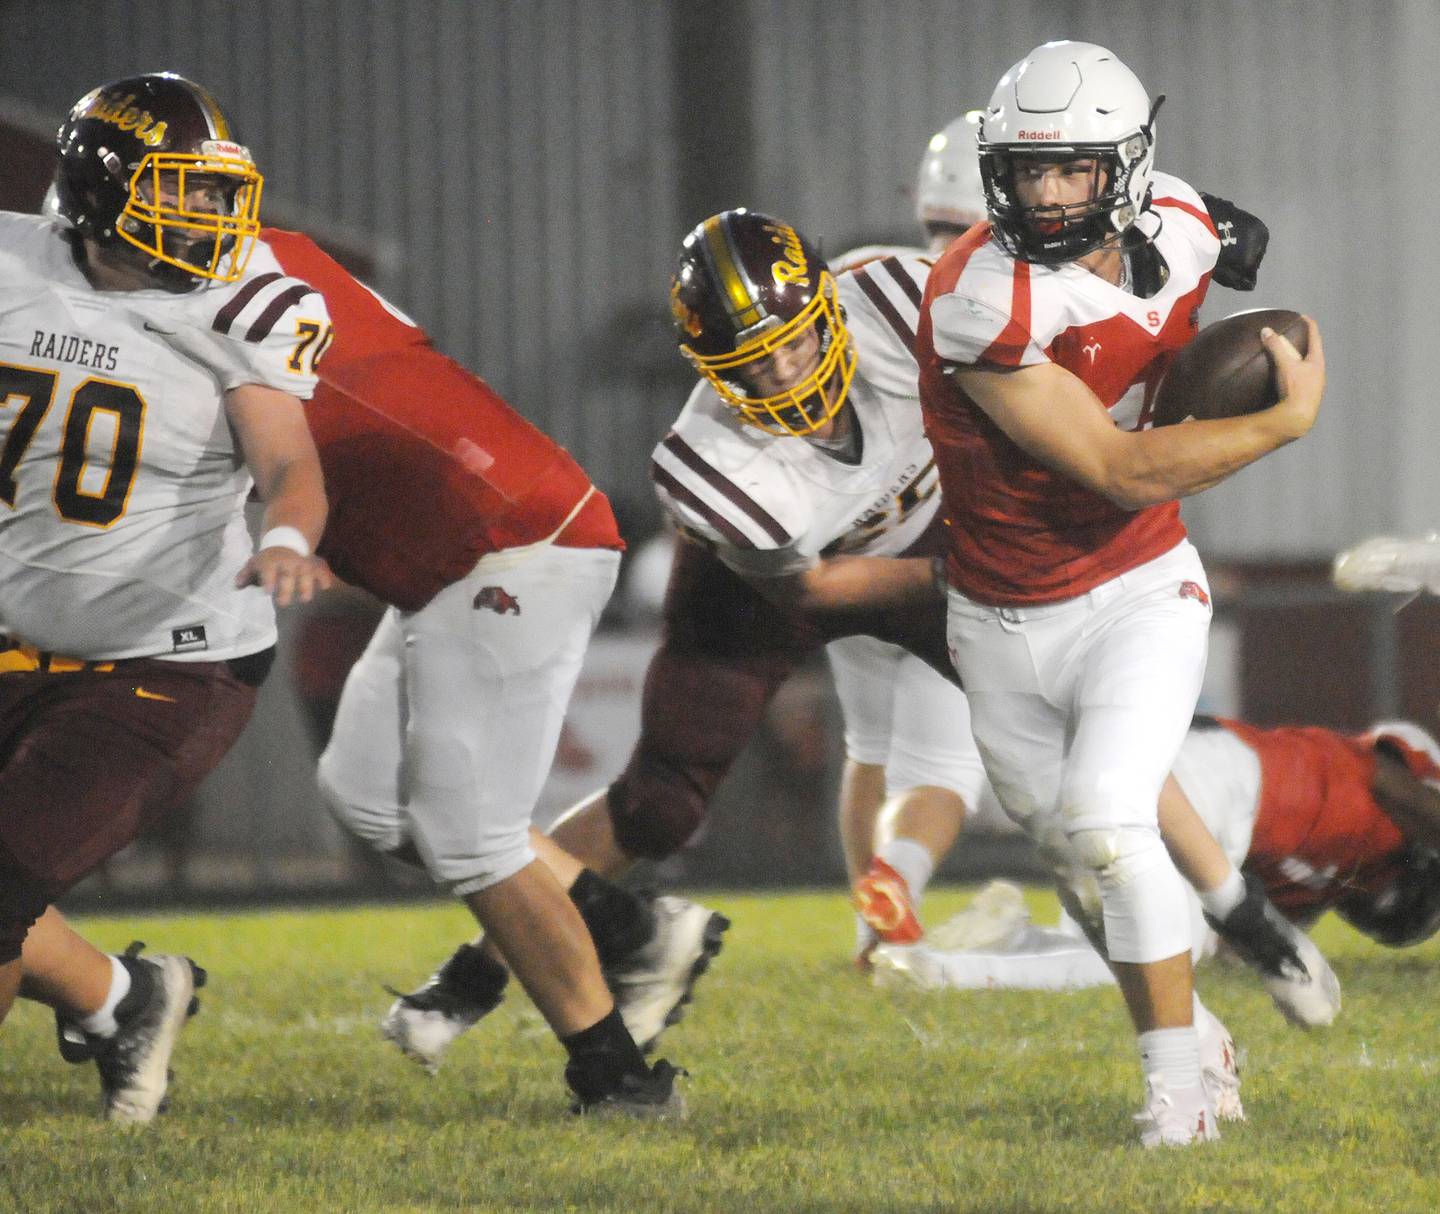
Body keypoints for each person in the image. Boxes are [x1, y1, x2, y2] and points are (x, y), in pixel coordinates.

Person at [916, 40, 1325, 1146]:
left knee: (1107, 816)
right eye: (1026, 172)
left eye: (1074, 172)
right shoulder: (978, 296)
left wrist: (1245, 322)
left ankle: (1177, 1095)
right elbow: (1117, 465)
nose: (1046, 195)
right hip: (1000, 614)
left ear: (1130, 170)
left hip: (1139, 583)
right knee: (1079, 863)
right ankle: (1199, 1041)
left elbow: (1233, 238)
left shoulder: (1177, 219)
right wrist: (1280, 418)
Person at [247, 228, 700, 1117]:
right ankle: (630, 929)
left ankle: (619, 1080)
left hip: (512, 538)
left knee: (469, 834)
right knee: (364, 794)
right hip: (444, 559)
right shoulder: (270, 259)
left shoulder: (204, 298)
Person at [0, 72, 334, 1122]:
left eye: (213, 192)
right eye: (179, 190)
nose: (210, 218)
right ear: (101, 190)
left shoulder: (245, 301)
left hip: (170, 657)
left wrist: (285, 536)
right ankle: (128, 997)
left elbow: (290, 463)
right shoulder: (9, 263)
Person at [880, 714, 1436, 1012]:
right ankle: (938, 971)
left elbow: (1237, 937)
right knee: (1151, 967)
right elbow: (1392, 775)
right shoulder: (1385, 785)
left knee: (1123, 945)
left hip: (1182, 790)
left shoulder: (1325, 878)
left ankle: (1009, 941)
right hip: (1204, 780)